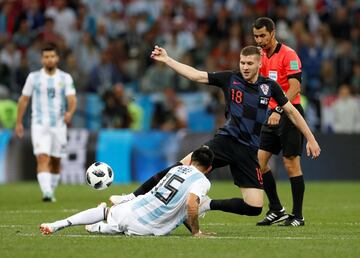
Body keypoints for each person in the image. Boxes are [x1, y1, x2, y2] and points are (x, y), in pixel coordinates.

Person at [109, 45, 320, 220]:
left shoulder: (269, 86)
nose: (245, 67)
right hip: (225, 141)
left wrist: (310, 138)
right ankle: (132, 197)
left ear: (259, 64)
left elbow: (292, 111)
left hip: (248, 151)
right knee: (179, 168)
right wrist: (168, 60)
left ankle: (206, 205)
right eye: (242, 63)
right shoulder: (230, 79)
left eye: (249, 63)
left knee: (255, 207)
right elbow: (196, 75)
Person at [40, 147, 214, 237]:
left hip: (132, 210)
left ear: (190, 160)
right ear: (209, 168)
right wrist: (196, 232)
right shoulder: (202, 181)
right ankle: (99, 227)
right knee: (122, 227)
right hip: (146, 229)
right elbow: (191, 204)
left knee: (107, 212)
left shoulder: (174, 170)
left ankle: (58, 224)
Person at [252, 17, 309, 226]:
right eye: (256, 36)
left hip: (290, 112)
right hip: (270, 114)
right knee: (259, 162)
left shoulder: (289, 54)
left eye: (262, 36)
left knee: (290, 163)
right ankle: (276, 209)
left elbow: (295, 87)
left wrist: (277, 108)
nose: (259, 40)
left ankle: (298, 216)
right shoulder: (260, 56)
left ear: (272, 33)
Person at [15, 43, 77, 202]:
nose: (49, 59)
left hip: (59, 125)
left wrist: (70, 112)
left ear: (57, 58)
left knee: (56, 160)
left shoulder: (65, 78)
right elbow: (24, 100)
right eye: (46, 57)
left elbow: (72, 99)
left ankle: (51, 190)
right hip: (39, 124)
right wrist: (19, 122)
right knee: (43, 157)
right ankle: (47, 192)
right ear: (42, 59)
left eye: (52, 56)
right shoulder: (33, 77)